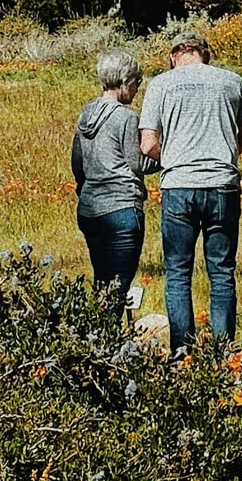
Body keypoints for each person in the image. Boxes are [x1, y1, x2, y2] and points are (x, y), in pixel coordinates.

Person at [138, 32, 242, 354]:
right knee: (221, 272)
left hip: (178, 186)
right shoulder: (232, 81)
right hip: (222, 185)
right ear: (206, 55)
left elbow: (147, 144)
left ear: (174, 57)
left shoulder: (160, 84)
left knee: (177, 272)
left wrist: (175, 158)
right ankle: (222, 353)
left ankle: (182, 352)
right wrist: (224, 157)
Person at [71, 49, 161, 316]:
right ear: (123, 83)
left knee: (101, 283)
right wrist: (167, 155)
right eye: (135, 83)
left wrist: (84, 188)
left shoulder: (86, 115)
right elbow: (138, 164)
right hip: (121, 208)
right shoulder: (125, 118)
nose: (136, 89)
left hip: (89, 209)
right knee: (118, 289)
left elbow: (77, 161)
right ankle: (109, 347)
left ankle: (95, 340)